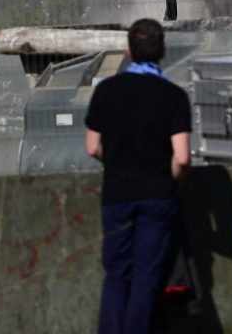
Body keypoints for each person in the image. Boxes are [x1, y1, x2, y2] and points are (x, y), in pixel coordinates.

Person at [84, 18, 192, 334]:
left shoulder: (106, 91)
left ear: (129, 51)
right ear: (163, 52)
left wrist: (117, 161)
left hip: (117, 194)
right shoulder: (173, 96)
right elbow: (182, 158)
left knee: (117, 275)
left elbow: (92, 147)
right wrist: (174, 181)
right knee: (146, 279)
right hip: (158, 195)